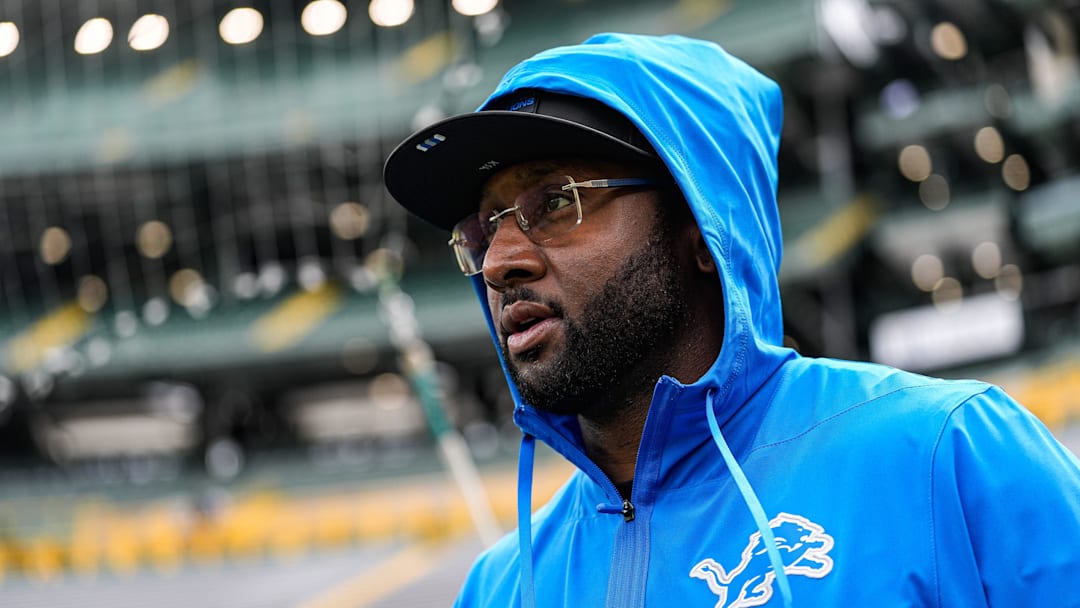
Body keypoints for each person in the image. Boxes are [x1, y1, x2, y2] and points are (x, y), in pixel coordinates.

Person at [383, 33, 1080, 607]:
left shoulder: (947, 456)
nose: (499, 261)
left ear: (700, 227)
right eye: (482, 230)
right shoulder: (499, 588)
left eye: (558, 202)